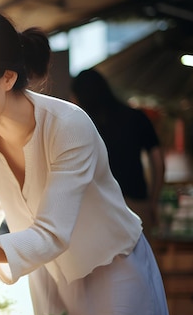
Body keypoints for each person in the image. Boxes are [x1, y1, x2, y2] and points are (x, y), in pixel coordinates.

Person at [0, 9, 172, 315]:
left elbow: (51, 234)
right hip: (48, 277)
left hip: (112, 273)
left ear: (7, 78)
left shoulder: (67, 126)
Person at [71, 68, 165, 233]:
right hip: (136, 204)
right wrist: (153, 201)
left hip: (96, 208)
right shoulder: (136, 117)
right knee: (141, 257)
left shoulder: (81, 124)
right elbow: (158, 162)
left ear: (79, 96)